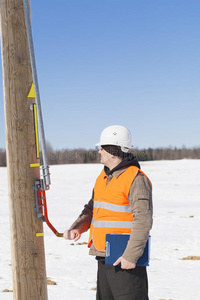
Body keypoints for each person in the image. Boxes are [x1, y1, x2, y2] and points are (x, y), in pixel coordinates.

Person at [64, 125, 153, 300]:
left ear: (113, 152)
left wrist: (130, 256)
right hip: (104, 256)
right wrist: (78, 227)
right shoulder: (103, 177)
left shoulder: (136, 179)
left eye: (102, 148)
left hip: (126, 261)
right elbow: (92, 208)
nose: (99, 151)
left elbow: (143, 220)